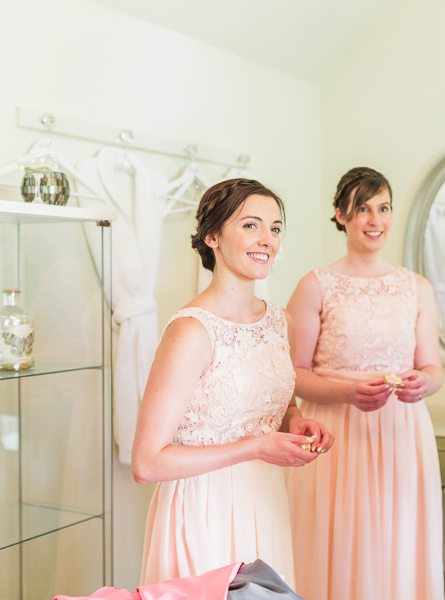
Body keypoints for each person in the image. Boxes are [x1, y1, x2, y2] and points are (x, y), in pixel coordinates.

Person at [132, 179, 334, 586]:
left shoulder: (281, 323)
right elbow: (146, 463)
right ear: (212, 236)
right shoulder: (191, 332)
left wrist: (296, 422)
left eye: (275, 228)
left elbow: (282, 404)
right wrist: (256, 447)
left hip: (265, 501)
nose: (266, 240)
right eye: (250, 225)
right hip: (203, 511)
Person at [285, 167, 445, 600]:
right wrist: (346, 393)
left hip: (402, 433)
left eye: (384, 208)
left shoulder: (417, 287)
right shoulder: (315, 285)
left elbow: (432, 367)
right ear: (341, 215)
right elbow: (292, 373)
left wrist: (423, 384)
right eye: (363, 209)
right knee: (338, 540)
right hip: (337, 433)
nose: (376, 220)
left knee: (398, 540)